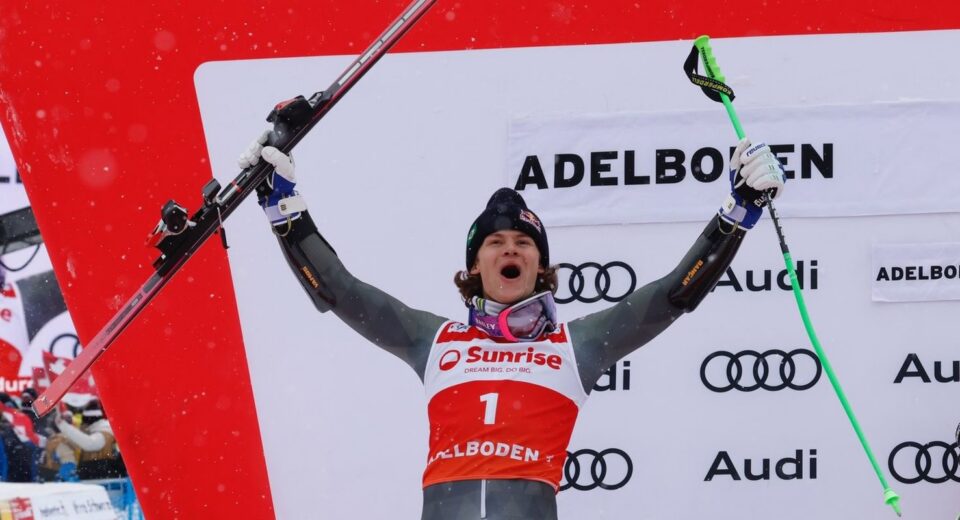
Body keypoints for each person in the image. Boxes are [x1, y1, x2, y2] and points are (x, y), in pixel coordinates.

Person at [239, 132, 786, 520]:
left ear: (539, 266)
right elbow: (340, 291)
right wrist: (285, 210)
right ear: (475, 266)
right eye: (495, 243)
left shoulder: (576, 345)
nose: (510, 250)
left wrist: (737, 212)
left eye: (523, 243)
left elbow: (673, 294)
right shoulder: (435, 341)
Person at [41, 395, 124, 481]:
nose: (82, 425)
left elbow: (89, 444)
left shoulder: (105, 432)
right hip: (96, 477)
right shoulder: (94, 431)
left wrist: (63, 425)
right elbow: (79, 442)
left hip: (107, 480)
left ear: (88, 420)